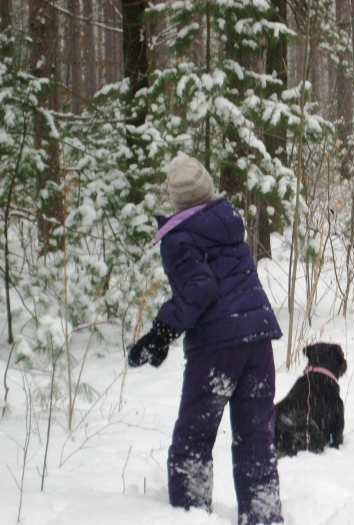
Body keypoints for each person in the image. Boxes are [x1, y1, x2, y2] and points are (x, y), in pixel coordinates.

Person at [128, 153, 284, 525]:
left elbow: (200, 289)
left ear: (175, 198)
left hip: (218, 347)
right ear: (208, 188)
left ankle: (190, 514)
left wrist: (161, 332)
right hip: (258, 340)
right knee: (256, 437)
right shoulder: (227, 222)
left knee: (194, 436)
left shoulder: (180, 238)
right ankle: (263, 516)